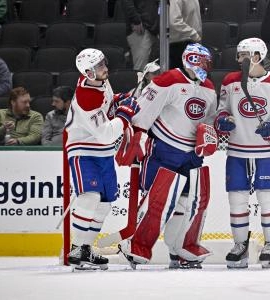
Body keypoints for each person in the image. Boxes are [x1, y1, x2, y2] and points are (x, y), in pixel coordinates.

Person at [118, 43, 218, 269]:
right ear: (191, 60)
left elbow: (209, 120)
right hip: (165, 149)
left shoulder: (209, 87)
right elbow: (143, 112)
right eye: (204, 61)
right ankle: (137, 246)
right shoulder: (167, 80)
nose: (207, 67)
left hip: (192, 153)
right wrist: (137, 137)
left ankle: (181, 248)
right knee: (158, 200)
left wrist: (214, 129)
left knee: (190, 203)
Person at [214, 38, 270, 268]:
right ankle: (240, 246)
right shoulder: (230, 81)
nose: (238, 60)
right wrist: (223, 121)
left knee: (267, 197)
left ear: (257, 57)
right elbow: (222, 110)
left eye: (242, 56)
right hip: (237, 149)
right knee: (237, 199)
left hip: (267, 151)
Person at [65, 48, 141, 270]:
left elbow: (106, 105)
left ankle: (86, 250)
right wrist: (125, 115)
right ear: (88, 73)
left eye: (103, 63)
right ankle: (77, 249)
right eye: (99, 66)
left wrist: (119, 100)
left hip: (104, 152)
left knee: (105, 204)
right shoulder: (86, 96)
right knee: (89, 197)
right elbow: (107, 132)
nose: (105, 68)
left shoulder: (100, 81)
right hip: (84, 149)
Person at [122, 0, 160, 71]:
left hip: (155, 27)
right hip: (140, 28)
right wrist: (135, 20)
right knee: (140, 69)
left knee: (155, 70)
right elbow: (127, 3)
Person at [169, 0, 202, 69]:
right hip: (179, 44)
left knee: (192, 76)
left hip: (192, 42)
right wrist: (193, 34)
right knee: (180, 77)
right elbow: (175, 21)